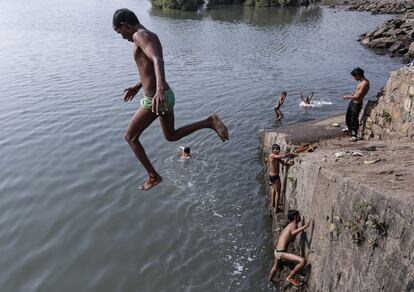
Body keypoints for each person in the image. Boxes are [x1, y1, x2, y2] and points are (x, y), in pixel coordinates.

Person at [113, 9, 229, 190]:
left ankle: (153, 176)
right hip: (165, 96)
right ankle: (209, 122)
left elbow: (158, 61)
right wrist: (138, 86)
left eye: (120, 33)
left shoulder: (138, 35)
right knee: (171, 135)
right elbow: (149, 67)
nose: (122, 37)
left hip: (156, 98)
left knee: (130, 137)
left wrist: (157, 90)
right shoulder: (151, 35)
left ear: (125, 25)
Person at [268, 210, 314, 286]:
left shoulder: (289, 225)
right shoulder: (294, 225)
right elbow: (293, 232)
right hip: (281, 252)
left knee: (275, 268)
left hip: (277, 251)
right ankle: (290, 277)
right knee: (303, 261)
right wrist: (305, 226)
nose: (300, 217)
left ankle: (270, 280)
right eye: (299, 216)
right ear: (295, 217)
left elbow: (289, 236)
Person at [343, 67, 370, 142]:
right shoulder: (361, 81)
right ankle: (349, 129)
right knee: (348, 116)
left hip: (357, 103)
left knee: (354, 119)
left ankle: (354, 135)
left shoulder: (365, 83)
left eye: (354, 76)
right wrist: (351, 94)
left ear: (358, 75)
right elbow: (356, 91)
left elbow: (358, 96)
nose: (354, 78)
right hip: (353, 101)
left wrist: (347, 97)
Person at [268, 144, 294, 212]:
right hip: (275, 177)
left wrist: (289, 163)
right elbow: (284, 156)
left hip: (272, 176)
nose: (278, 150)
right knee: (278, 192)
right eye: (276, 149)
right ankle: (276, 209)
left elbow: (283, 163)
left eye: (278, 149)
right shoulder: (272, 155)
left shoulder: (276, 157)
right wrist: (290, 153)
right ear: (272, 150)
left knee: (274, 190)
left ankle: (273, 204)